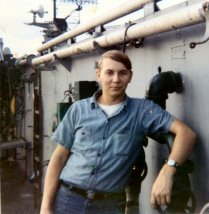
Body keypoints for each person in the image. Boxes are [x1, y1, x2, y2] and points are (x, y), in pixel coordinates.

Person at [40, 50, 196, 214]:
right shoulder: (78, 109)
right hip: (68, 200)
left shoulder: (142, 111)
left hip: (109, 206)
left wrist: (168, 170)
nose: (116, 79)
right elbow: (58, 159)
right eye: (109, 73)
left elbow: (186, 134)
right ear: (99, 75)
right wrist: (45, 207)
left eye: (122, 73)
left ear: (130, 76)